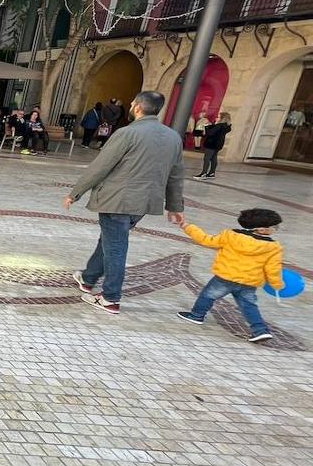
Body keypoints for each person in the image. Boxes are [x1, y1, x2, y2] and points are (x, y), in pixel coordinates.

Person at [65, 91, 185, 314]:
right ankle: (88, 277)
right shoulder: (173, 137)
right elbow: (176, 174)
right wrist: (175, 206)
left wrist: (76, 192)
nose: (130, 106)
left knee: (116, 247)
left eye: (132, 104)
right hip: (143, 203)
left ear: (138, 107)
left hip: (117, 200)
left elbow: (101, 165)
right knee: (110, 240)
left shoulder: (127, 133)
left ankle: (110, 297)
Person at [176, 208, 283, 342]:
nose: (276, 229)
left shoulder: (230, 235)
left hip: (225, 277)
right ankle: (260, 330)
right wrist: (276, 284)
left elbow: (206, 240)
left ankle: (196, 315)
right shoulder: (273, 247)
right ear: (262, 229)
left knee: (208, 296)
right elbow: (273, 268)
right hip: (249, 282)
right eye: (275, 227)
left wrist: (188, 227)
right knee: (249, 305)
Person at [196, 112, 232, 179]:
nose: (216, 118)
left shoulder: (219, 126)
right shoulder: (225, 126)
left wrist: (206, 126)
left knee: (207, 158)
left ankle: (203, 174)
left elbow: (209, 133)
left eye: (218, 117)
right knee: (213, 158)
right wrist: (213, 125)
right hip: (218, 144)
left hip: (212, 143)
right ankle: (212, 173)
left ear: (222, 118)